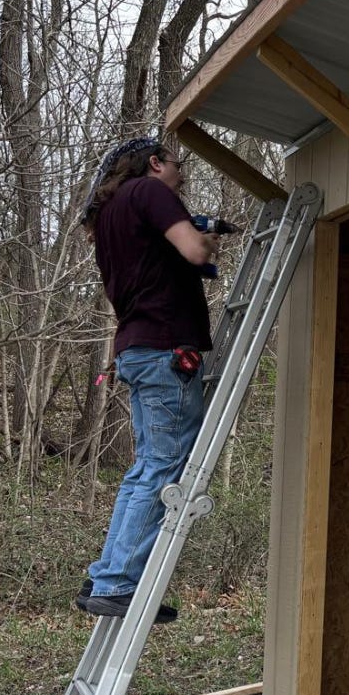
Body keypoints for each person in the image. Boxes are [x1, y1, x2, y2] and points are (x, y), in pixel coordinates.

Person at [74, 136, 217, 622]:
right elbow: (195, 252)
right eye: (178, 165)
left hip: (137, 348)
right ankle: (118, 583)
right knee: (163, 467)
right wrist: (206, 240)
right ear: (155, 163)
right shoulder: (149, 192)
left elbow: (156, 261)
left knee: (145, 468)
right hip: (165, 347)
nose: (181, 175)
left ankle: (106, 576)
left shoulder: (109, 214)